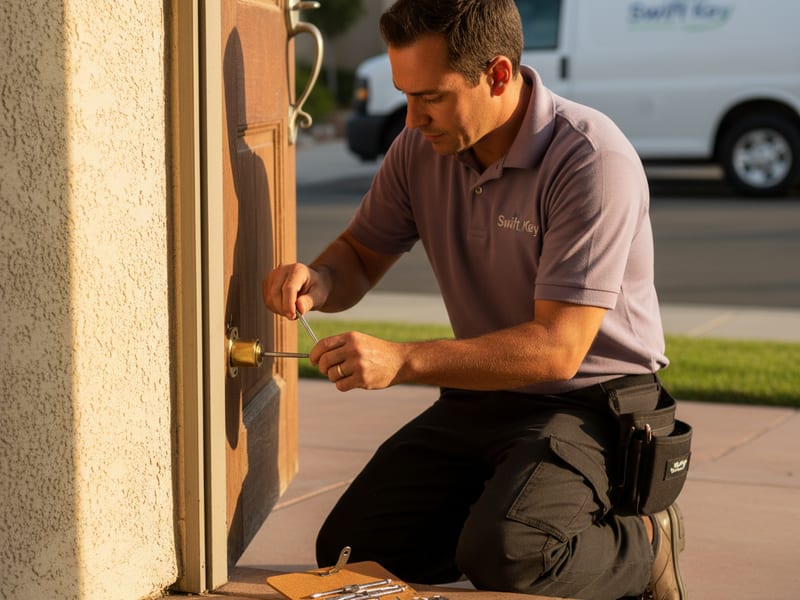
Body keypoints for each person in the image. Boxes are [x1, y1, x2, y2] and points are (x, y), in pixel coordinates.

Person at [262, 1, 686, 598]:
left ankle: (646, 542)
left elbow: (558, 350)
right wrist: (320, 280)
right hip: (485, 394)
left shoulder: (590, 160)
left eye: (430, 96)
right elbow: (359, 253)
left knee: (513, 555)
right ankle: (507, 514)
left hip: (593, 404)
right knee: (355, 551)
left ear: (498, 75)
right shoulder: (419, 150)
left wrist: (402, 360)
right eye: (404, 95)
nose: (411, 119)